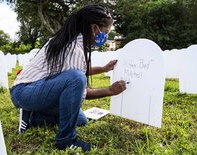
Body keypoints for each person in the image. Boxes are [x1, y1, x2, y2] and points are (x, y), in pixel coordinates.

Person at [10, 4, 126, 152]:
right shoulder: (74, 48)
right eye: (106, 32)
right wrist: (110, 90)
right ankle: (66, 140)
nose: (105, 37)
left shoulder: (72, 41)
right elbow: (77, 83)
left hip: (35, 90)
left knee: (81, 120)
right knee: (76, 79)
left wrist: (103, 69)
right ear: (94, 28)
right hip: (24, 92)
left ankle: (33, 116)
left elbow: (78, 70)